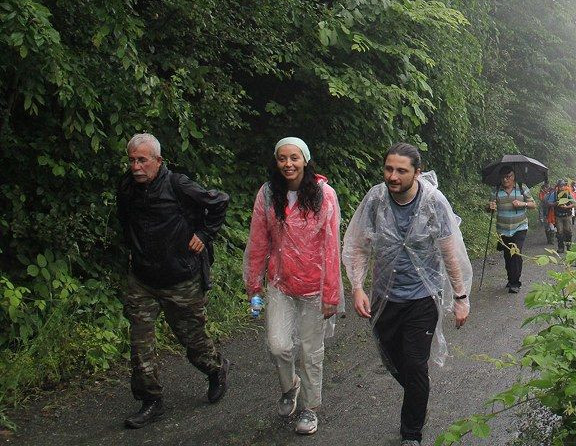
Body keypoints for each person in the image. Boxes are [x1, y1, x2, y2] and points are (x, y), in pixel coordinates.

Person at [342, 143, 472, 446]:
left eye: (401, 170)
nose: (393, 176)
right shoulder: (376, 199)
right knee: (391, 356)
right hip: (385, 296)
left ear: (417, 171)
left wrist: (461, 298)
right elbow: (359, 244)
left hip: (422, 297)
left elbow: (450, 253)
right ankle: (418, 394)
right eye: (389, 168)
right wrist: (357, 286)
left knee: (415, 364)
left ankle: (411, 433)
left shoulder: (432, 202)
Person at [117, 133, 230, 429]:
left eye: (142, 160)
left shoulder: (177, 184)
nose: (136, 166)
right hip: (142, 277)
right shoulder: (127, 187)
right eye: (132, 160)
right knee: (139, 340)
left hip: (180, 277)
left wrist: (203, 235)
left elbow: (219, 202)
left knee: (191, 338)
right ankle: (151, 400)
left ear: (158, 161)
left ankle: (216, 368)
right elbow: (125, 222)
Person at [244, 137, 342, 435]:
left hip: (314, 287)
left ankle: (310, 409)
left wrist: (331, 293)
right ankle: (290, 387)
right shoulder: (268, 193)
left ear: (305, 160)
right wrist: (254, 283)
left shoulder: (325, 195)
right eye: (282, 158)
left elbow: (331, 247)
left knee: (311, 352)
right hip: (281, 284)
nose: (288, 164)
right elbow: (258, 240)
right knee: (279, 346)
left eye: (294, 158)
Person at [487, 166, 536, 294]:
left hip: (520, 226)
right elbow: (490, 207)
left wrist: (523, 204)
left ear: (513, 176)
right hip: (503, 229)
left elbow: (533, 204)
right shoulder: (496, 190)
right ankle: (510, 279)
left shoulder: (522, 188)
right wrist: (490, 207)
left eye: (508, 177)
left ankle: (515, 283)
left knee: (516, 253)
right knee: (508, 255)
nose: (505, 179)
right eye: (503, 177)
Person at [553, 180, 576, 254]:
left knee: (568, 231)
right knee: (559, 232)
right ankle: (561, 247)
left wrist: (567, 207)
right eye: (560, 186)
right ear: (558, 187)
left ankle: (569, 246)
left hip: (567, 215)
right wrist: (556, 203)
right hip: (558, 215)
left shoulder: (567, 194)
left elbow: (574, 203)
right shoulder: (554, 194)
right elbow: (548, 203)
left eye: (563, 186)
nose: (561, 187)